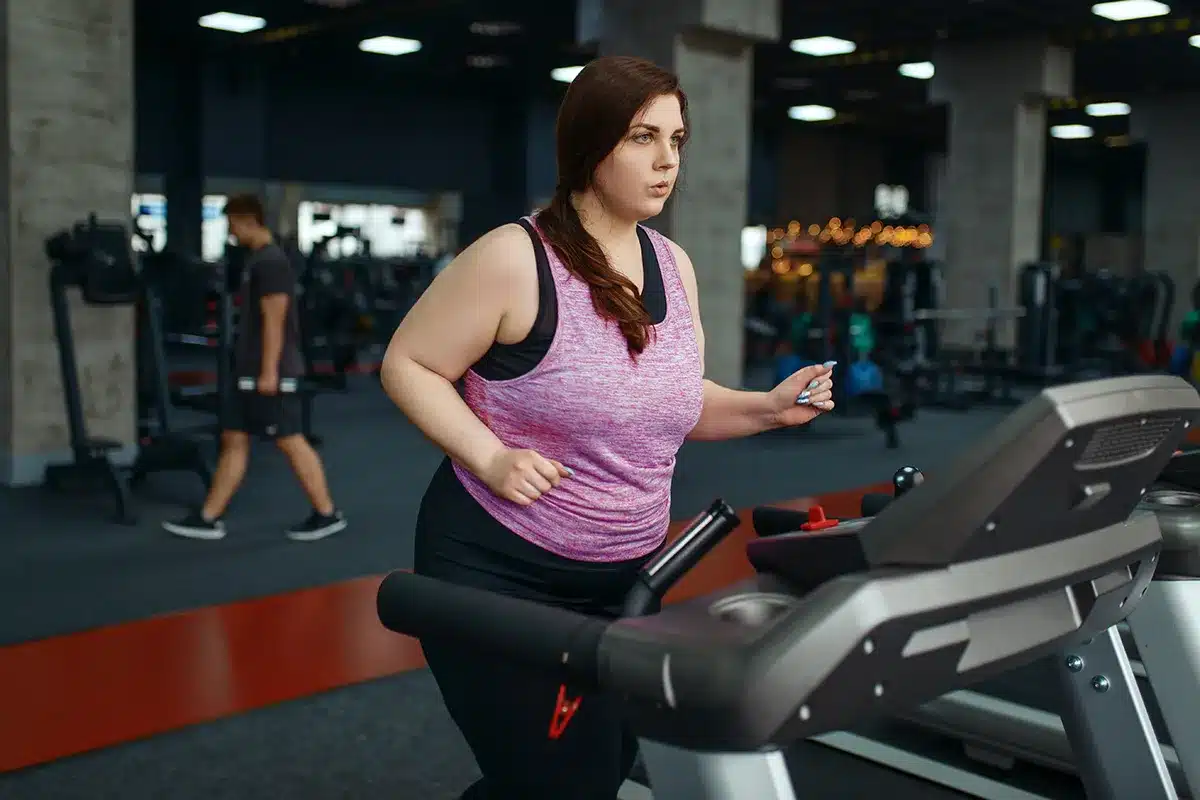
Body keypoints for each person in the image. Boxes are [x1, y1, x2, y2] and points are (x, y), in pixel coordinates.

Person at [380, 56, 835, 800]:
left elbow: (673, 403)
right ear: (590, 147)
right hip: (498, 573)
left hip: (626, 580)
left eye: (677, 140)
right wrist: (489, 456)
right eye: (641, 138)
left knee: (593, 770)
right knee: (563, 778)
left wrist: (767, 408)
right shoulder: (515, 259)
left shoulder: (673, 265)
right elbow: (408, 364)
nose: (666, 161)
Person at [163, 194, 347, 542]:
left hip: (268, 371)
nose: (230, 232)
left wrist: (268, 372)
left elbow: (274, 321)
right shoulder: (256, 260)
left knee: (290, 440)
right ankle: (209, 516)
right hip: (248, 368)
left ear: (248, 218)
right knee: (234, 438)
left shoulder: (272, 263)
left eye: (232, 223)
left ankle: (326, 513)